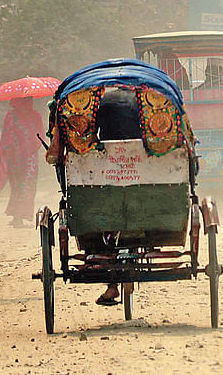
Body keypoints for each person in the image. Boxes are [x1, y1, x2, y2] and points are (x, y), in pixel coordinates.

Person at [94, 87, 141, 306]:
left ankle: (112, 285)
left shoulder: (102, 100)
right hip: (141, 165)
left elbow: (91, 133)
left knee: (107, 218)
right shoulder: (144, 99)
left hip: (107, 167)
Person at [0, 96, 44, 228]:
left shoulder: (12, 115)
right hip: (27, 158)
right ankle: (18, 216)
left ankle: (18, 216)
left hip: (17, 157)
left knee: (18, 186)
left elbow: (6, 135)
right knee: (25, 186)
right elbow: (40, 136)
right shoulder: (33, 115)